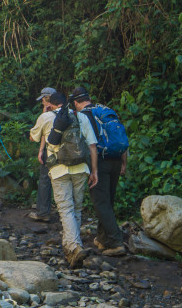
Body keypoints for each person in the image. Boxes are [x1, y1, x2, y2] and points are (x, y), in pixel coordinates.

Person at [30, 91, 98, 268]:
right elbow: (92, 145)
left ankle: (75, 246)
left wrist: (44, 112)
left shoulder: (46, 116)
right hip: (81, 168)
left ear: (50, 104)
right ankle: (69, 248)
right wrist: (94, 171)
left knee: (65, 208)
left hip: (59, 169)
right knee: (77, 207)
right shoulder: (81, 116)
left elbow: (33, 137)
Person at [70, 86, 127, 256]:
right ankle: (103, 240)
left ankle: (117, 243)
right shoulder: (105, 109)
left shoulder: (82, 116)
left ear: (75, 102)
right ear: (89, 98)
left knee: (100, 203)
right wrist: (124, 163)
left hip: (99, 162)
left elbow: (88, 144)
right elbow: (121, 136)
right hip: (116, 159)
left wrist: (91, 168)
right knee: (107, 202)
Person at [28, 86, 56, 222]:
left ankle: (43, 212)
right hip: (69, 153)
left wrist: (42, 115)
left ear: (47, 100)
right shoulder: (67, 112)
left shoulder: (46, 116)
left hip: (51, 153)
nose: (42, 104)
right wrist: (40, 150)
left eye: (43, 101)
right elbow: (46, 133)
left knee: (45, 180)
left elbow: (33, 137)